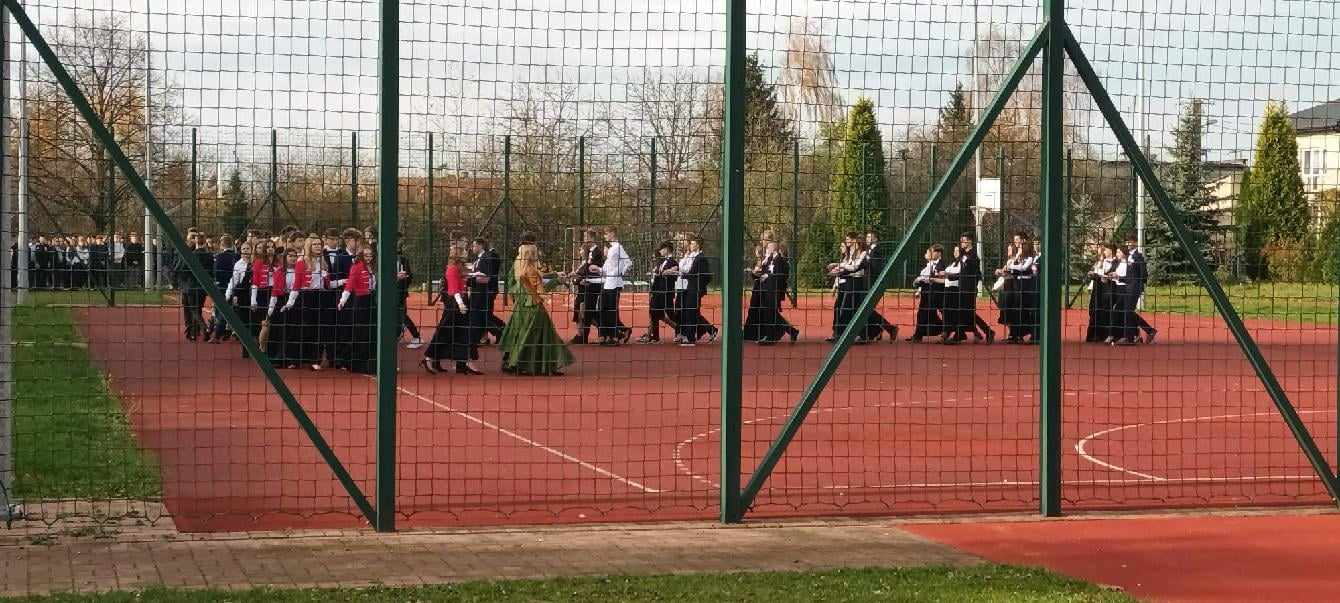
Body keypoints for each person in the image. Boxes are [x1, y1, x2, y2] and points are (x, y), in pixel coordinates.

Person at [498, 242, 574, 375]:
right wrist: (558, 281)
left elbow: (535, 280)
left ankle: (516, 363)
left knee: (524, 336)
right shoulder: (531, 270)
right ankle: (541, 366)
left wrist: (554, 275)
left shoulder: (519, 269)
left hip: (521, 307)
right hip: (534, 307)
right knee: (546, 337)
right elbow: (541, 290)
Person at [423, 243, 482, 375]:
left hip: (461, 301)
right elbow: (454, 289)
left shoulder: (460, 267)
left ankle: (461, 362)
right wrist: (460, 303)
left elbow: (464, 279)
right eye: (463, 251)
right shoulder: (452, 268)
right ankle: (429, 357)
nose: (466, 253)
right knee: (445, 331)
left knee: (462, 333)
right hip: (454, 303)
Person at [289, 236, 334, 370]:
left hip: (321, 296)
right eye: (314, 244)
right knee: (304, 328)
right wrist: (291, 301)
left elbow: (327, 284)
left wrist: (336, 280)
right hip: (306, 296)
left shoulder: (323, 261)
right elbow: (297, 283)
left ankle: (315, 359)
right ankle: (297, 359)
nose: (318, 246)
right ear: (309, 246)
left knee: (319, 330)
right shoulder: (302, 261)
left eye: (319, 244)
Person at [827, 233, 876, 344]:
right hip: (849, 282)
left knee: (851, 310)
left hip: (857, 283)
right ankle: (842, 334)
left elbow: (854, 267)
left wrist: (841, 267)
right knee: (848, 309)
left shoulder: (863, 254)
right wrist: (837, 269)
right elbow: (848, 267)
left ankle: (855, 334)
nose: (848, 243)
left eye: (850, 240)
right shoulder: (852, 254)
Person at [339, 245, 378, 374]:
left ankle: (369, 362)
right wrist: (343, 300)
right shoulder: (356, 267)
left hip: (371, 300)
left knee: (370, 332)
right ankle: (355, 363)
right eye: (366, 255)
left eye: (370, 255)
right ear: (361, 255)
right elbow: (349, 285)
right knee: (360, 333)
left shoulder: (374, 267)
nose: (369, 258)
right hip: (361, 301)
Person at [673, 235, 716, 346]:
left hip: (693, 289)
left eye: (692, 243)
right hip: (687, 287)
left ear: (698, 245)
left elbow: (705, 276)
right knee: (687, 312)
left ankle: (690, 338)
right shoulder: (692, 256)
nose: (690, 245)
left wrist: (698, 287)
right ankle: (692, 334)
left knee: (691, 313)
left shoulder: (701, 258)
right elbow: (684, 269)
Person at [754, 240, 798, 345]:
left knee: (770, 314)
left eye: (768, 248)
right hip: (766, 290)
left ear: (774, 249)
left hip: (774, 291)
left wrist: (767, 276)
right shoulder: (769, 260)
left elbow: (781, 276)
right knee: (772, 314)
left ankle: (770, 337)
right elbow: (765, 272)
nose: (766, 249)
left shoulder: (781, 261)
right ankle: (792, 331)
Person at [997, 237, 1039, 344]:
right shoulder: (1018, 258)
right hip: (1015, 286)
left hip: (1025, 286)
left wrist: (1013, 265)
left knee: (1023, 311)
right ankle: (1014, 334)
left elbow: (1023, 268)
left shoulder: (1029, 258)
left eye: (1021, 247)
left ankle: (1024, 334)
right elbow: (1011, 267)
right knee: (1013, 310)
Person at [595, 227, 633, 346]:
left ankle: (614, 336)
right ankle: (605, 335)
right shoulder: (611, 249)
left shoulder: (618, 247)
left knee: (612, 310)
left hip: (615, 283)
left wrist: (619, 272)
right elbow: (606, 269)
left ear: (612, 233)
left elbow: (628, 262)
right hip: (607, 283)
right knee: (602, 309)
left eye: (606, 234)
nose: (605, 236)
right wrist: (597, 269)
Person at [957, 233, 995, 343]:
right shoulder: (963, 254)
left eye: (963, 240)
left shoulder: (973, 255)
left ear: (969, 241)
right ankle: (973, 333)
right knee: (964, 312)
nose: (961, 243)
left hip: (969, 288)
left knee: (968, 312)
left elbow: (975, 272)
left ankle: (987, 331)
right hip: (962, 286)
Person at [638, 240, 679, 344]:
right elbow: (657, 274)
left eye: (661, 249)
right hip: (657, 291)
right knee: (653, 312)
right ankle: (654, 336)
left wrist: (668, 271)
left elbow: (674, 275)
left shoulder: (673, 262)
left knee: (670, 313)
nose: (660, 251)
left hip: (666, 292)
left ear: (667, 249)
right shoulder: (661, 262)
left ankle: (681, 330)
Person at [568, 230, 605, 344]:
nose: (584, 240)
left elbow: (590, 269)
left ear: (591, 238)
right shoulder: (589, 254)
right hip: (585, 286)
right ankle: (582, 336)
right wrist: (576, 277)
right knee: (583, 311)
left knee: (588, 312)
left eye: (585, 237)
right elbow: (584, 269)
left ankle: (607, 332)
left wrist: (578, 278)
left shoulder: (597, 252)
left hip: (591, 286)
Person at [862, 230, 899, 343]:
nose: (867, 239)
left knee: (866, 310)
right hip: (867, 284)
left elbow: (876, 269)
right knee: (866, 310)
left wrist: (865, 264)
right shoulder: (868, 250)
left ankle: (888, 328)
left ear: (876, 239)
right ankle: (878, 330)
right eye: (867, 237)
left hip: (872, 285)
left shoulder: (877, 251)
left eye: (870, 237)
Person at [469, 237, 506, 345]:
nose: (472, 248)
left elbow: (486, 276)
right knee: (482, 315)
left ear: (480, 245)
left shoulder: (487, 257)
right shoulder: (480, 258)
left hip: (483, 291)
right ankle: (489, 335)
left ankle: (499, 330)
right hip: (478, 290)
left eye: (474, 245)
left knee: (481, 315)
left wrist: (470, 278)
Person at [1122, 235, 1158, 344]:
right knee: (1127, 312)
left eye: (1130, 242)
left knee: (1128, 312)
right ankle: (1146, 332)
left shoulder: (1139, 256)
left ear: (1135, 242)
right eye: (1127, 242)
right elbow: (1127, 274)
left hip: (1134, 288)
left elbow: (1144, 274)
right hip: (1126, 287)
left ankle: (1130, 337)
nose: (1128, 244)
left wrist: (1137, 285)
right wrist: (1119, 277)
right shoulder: (1128, 256)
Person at [908, 244, 946, 342]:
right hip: (927, 293)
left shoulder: (942, 265)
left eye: (932, 251)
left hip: (936, 294)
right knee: (923, 314)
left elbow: (941, 279)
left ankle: (920, 335)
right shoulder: (929, 264)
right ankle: (919, 335)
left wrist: (922, 280)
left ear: (938, 253)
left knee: (926, 314)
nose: (930, 253)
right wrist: (919, 284)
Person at [1105, 246, 1139, 346]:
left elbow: (1130, 278)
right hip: (1118, 289)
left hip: (1127, 290)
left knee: (1126, 313)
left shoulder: (1130, 263)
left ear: (1124, 253)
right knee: (1121, 312)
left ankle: (1127, 337)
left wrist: (1118, 277)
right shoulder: (1118, 263)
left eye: (1119, 252)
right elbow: (1113, 272)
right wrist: (1110, 275)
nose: (1117, 254)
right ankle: (1132, 335)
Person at [225, 241, 255, 356]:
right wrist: (229, 294)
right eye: (243, 249)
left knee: (254, 322)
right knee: (244, 322)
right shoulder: (238, 264)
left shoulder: (256, 262)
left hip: (256, 294)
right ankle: (246, 350)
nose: (245, 251)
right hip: (243, 295)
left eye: (248, 248)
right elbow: (234, 281)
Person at [209, 235, 240, 342]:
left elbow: (216, 272)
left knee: (220, 310)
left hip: (222, 285)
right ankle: (228, 330)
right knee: (232, 309)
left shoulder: (219, 256)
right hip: (234, 286)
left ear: (222, 244)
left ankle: (218, 333)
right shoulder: (237, 256)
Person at [1084, 244, 1117, 343]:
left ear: (1111, 250)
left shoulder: (1115, 262)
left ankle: (1104, 335)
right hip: (1097, 290)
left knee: (1105, 312)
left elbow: (1112, 275)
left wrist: (1101, 276)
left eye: (1106, 250)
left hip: (1108, 290)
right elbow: (1097, 273)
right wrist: (1093, 274)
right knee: (1094, 311)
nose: (1104, 252)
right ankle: (1094, 335)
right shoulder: (1100, 262)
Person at [395, 237, 423, 349]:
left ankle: (416, 336)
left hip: (400, 292)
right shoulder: (382, 259)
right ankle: (397, 334)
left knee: (402, 315)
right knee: (394, 315)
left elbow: (410, 276)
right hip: (389, 293)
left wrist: (403, 281)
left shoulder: (403, 260)